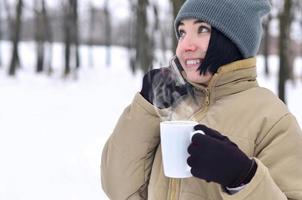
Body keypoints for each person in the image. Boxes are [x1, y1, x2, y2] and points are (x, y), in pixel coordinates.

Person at [101, 0, 302, 199]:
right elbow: (118, 189)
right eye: (182, 32)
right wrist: (145, 106)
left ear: (234, 39)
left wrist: (242, 178)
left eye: (202, 29)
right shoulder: (171, 103)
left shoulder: (272, 118)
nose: (185, 46)